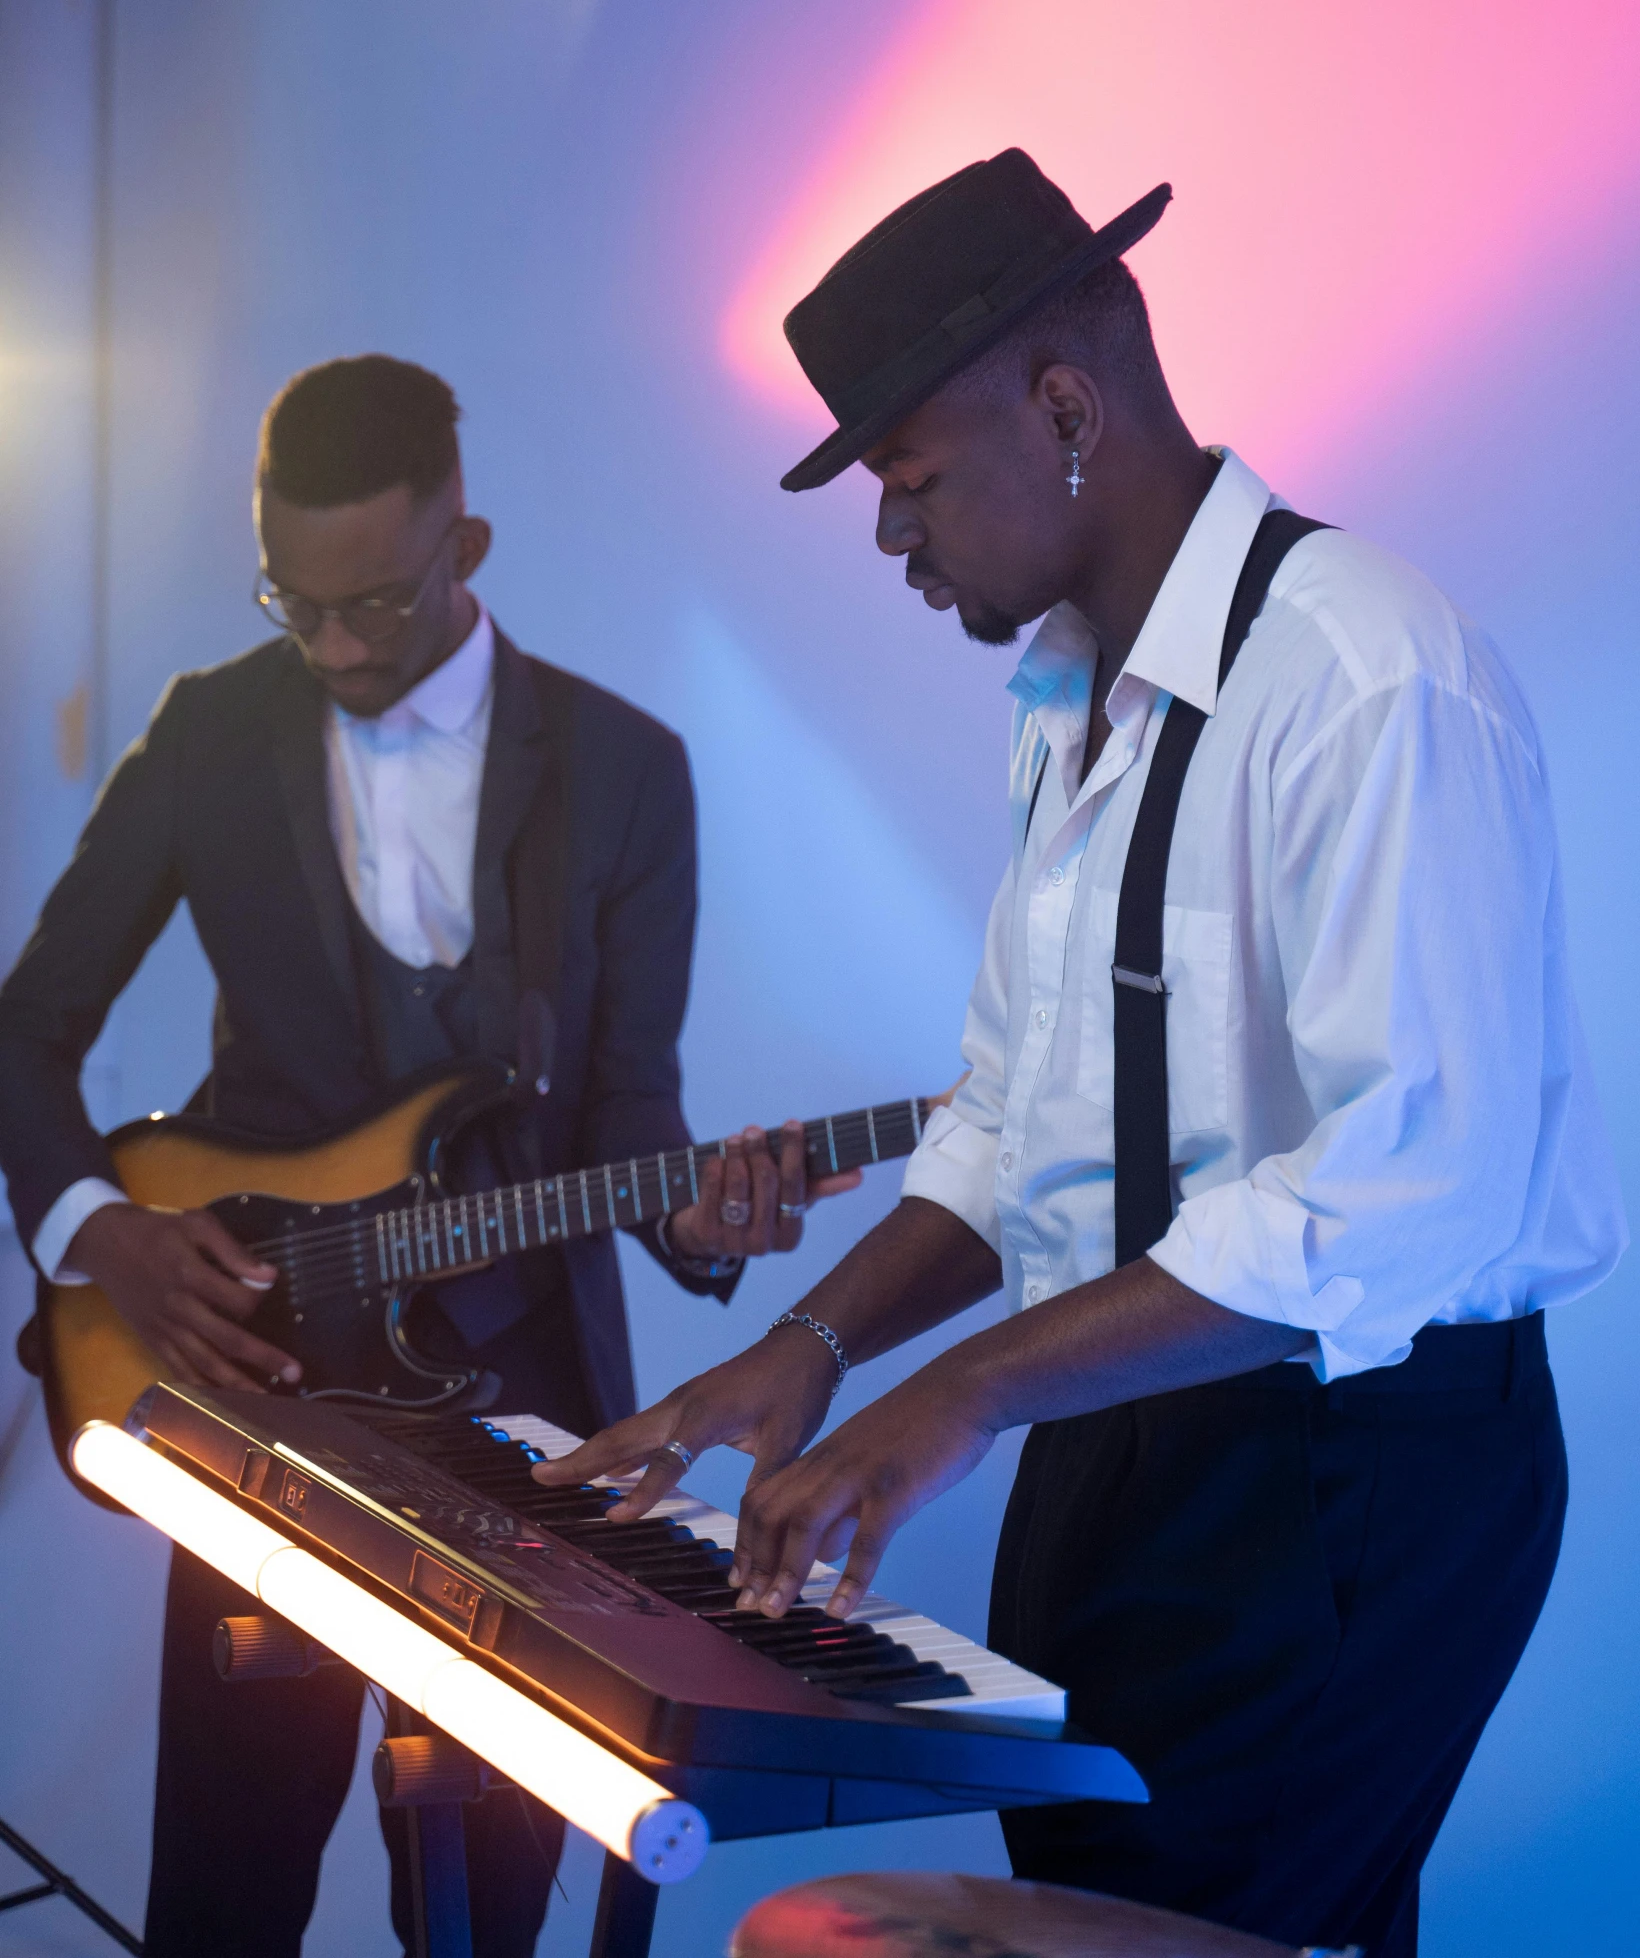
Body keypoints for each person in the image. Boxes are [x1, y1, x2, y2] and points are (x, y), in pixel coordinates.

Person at [536, 152, 1626, 1956]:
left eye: (910, 481)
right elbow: (1015, 1119)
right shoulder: (1062, 692)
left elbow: (1400, 1201)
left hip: (1351, 1459)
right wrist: (806, 1350)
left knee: (1187, 1924)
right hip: (1123, 1418)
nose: (894, 539)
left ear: (1063, 405)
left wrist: (957, 1393)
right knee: (1103, 1905)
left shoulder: (1369, 676)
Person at [0, 353, 848, 1958]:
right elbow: (22, 1027)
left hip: (536, 1434)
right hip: (260, 1377)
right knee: (220, 1902)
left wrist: (719, 1217)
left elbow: (629, 1120)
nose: (330, 648)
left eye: (373, 608)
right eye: (293, 605)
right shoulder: (207, 733)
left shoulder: (625, 769)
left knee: (485, 1923)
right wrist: (104, 1230)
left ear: (466, 546)